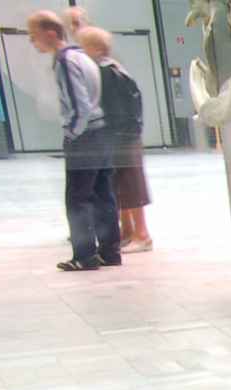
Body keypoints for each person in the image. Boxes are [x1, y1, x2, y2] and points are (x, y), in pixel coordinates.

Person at [27, 10, 119, 271]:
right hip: (100, 135)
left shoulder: (66, 61)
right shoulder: (82, 56)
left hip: (86, 137)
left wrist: (73, 134)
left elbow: (79, 104)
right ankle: (110, 251)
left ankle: (85, 255)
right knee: (103, 195)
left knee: (77, 198)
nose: (33, 42)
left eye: (34, 36)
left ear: (50, 33)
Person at [77, 27, 152, 253]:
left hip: (122, 137)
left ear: (97, 48)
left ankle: (142, 234)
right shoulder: (111, 69)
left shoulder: (107, 71)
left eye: (84, 47)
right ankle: (128, 231)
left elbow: (115, 108)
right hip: (124, 135)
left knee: (130, 185)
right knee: (121, 185)